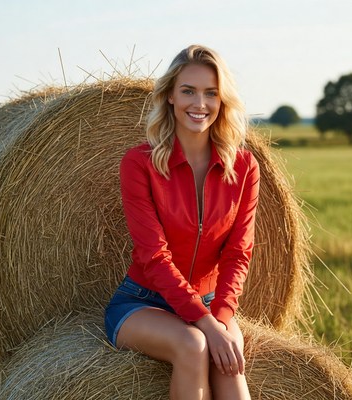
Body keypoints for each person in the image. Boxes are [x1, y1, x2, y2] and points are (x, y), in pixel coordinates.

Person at [104, 44, 260, 400]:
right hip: (143, 301)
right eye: (188, 91)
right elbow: (153, 255)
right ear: (171, 96)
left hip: (210, 302)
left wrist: (219, 317)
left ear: (222, 101)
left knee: (230, 365)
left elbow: (239, 252)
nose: (199, 104)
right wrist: (208, 327)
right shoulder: (139, 164)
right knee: (194, 345)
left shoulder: (245, 167)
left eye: (211, 93)